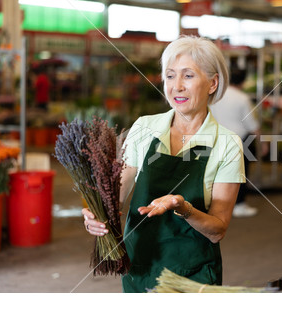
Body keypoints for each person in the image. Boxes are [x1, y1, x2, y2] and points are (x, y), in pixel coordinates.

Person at [82, 36, 245, 293]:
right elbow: (118, 195)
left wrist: (183, 207)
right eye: (170, 76)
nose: (176, 86)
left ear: (213, 83)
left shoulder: (227, 144)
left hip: (193, 274)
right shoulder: (145, 127)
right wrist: (97, 215)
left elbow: (217, 230)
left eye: (188, 76)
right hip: (139, 267)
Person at [211, 67, 265, 217]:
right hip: (238, 140)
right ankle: (238, 205)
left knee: (217, 173)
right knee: (239, 174)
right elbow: (251, 123)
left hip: (216, 138)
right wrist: (263, 142)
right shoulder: (242, 98)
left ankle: (217, 204)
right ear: (243, 81)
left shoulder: (215, 95)